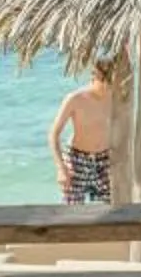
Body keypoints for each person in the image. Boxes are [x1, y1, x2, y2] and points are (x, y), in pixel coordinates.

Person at [48, 64, 114, 203]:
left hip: (104, 158)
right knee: (72, 209)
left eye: (111, 82)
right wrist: (61, 168)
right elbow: (54, 134)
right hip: (77, 159)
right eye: (104, 82)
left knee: (113, 207)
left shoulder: (115, 98)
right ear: (94, 77)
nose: (107, 87)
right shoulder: (75, 99)